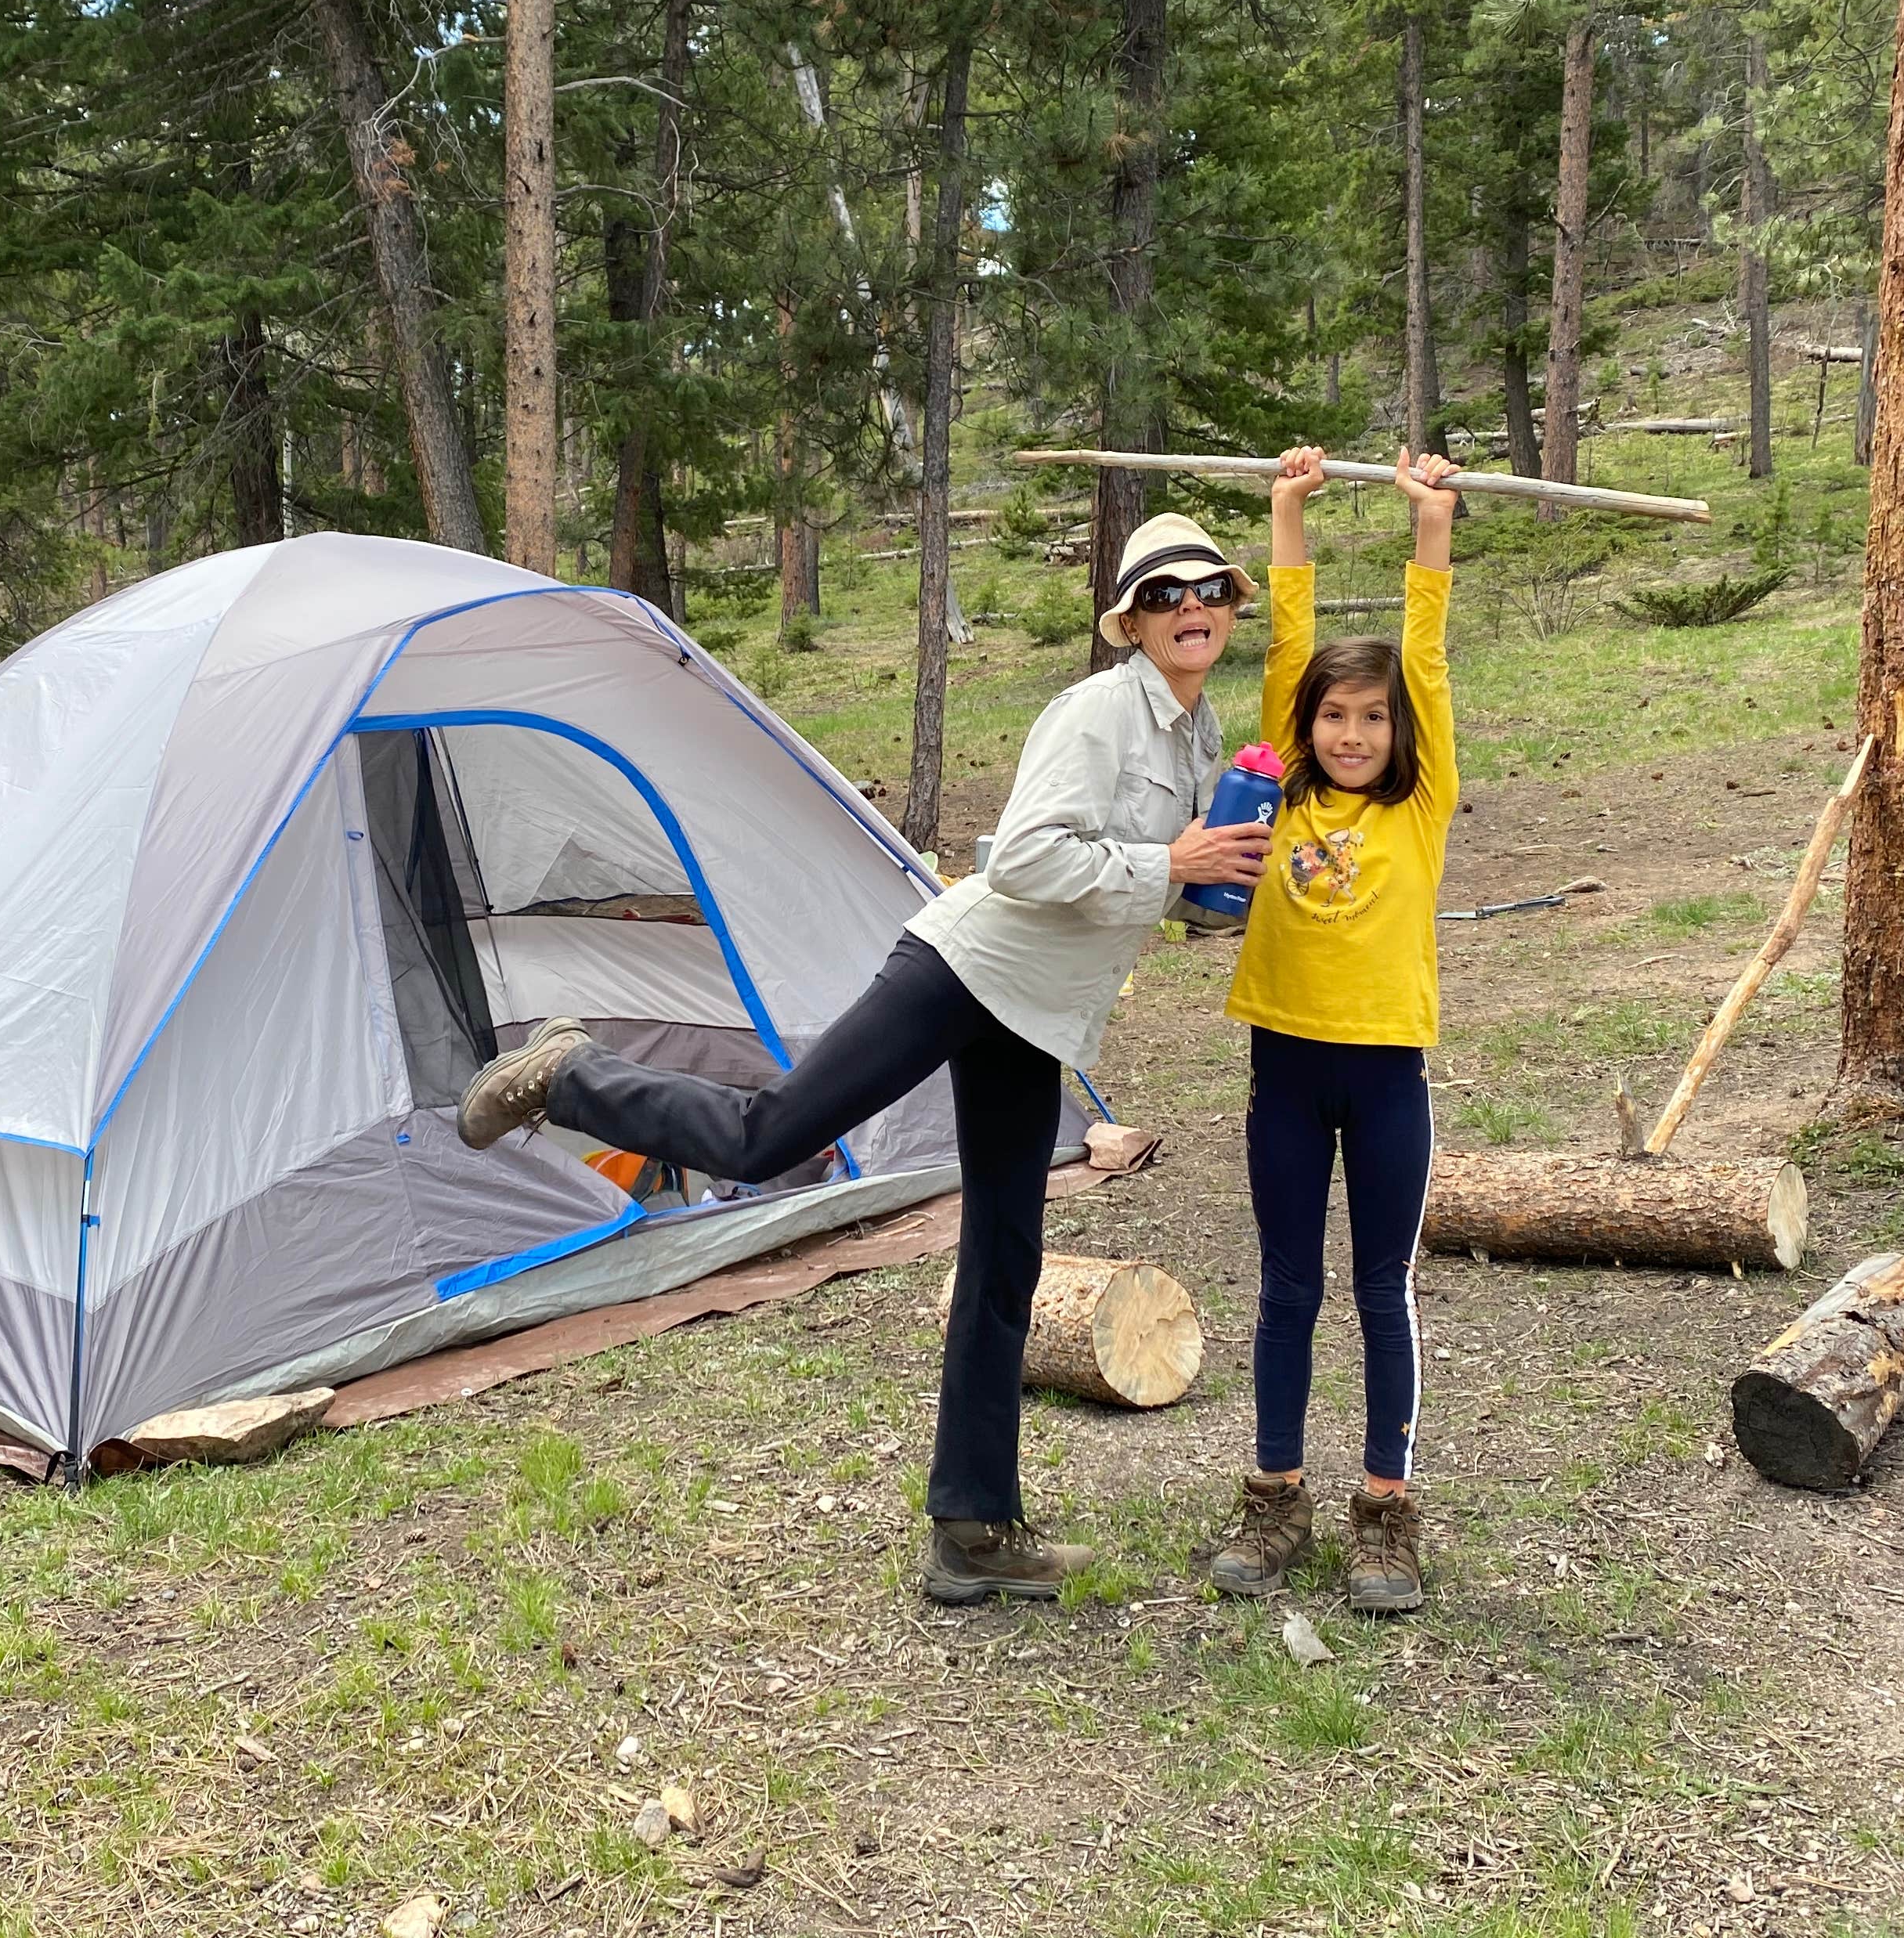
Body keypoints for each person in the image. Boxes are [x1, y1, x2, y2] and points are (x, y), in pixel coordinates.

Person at [456, 514, 1277, 1605]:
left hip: (1033, 1015)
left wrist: (1205, 889)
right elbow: (1026, 859)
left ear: (1230, 611)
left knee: (1003, 1261)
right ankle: (572, 1074)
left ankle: (972, 1527)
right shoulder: (1095, 714)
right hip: (961, 968)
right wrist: (1165, 859)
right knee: (773, 1132)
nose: (1194, 609)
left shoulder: (1197, 736)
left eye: (1211, 591)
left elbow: (1122, 881)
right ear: (1132, 621)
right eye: (1168, 595)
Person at [1205, 444, 1463, 1615]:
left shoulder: (1419, 803)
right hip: (1286, 1068)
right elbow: (1288, 646)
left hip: (1389, 1073)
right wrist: (1286, 512)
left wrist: (1429, 533)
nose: (1352, 732)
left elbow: (1430, 656)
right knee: (1285, 1287)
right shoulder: (1288, 790)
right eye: (1334, 717)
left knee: (1380, 1288)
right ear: (1304, 728)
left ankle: (1386, 1511)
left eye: (1372, 718)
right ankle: (1274, 1495)